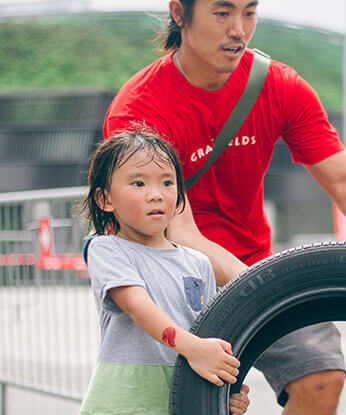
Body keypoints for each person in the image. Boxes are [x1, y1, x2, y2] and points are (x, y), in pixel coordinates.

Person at [102, 0, 346, 413]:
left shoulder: (279, 84)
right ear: (179, 12)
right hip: (170, 275)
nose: (239, 29)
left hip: (250, 262)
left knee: (320, 375)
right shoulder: (140, 108)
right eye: (222, 13)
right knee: (196, 403)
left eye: (250, 12)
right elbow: (179, 232)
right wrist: (270, 288)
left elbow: (345, 178)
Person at [79, 129, 250, 414]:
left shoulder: (198, 263)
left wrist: (225, 390)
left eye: (167, 182)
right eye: (138, 183)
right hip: (123, 401)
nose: (156, 195)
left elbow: (209, 333)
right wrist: (194, 349)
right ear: (104, 199)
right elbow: (137, 305)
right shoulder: (106, 249)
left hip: (183, 399)